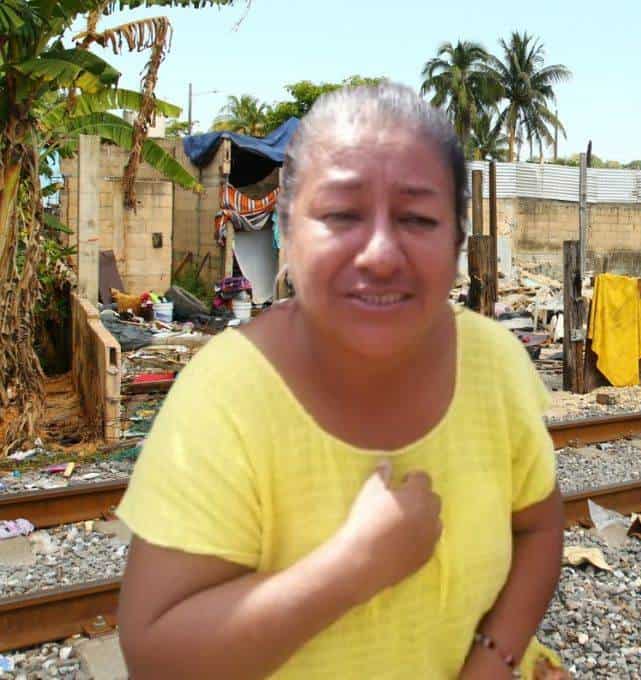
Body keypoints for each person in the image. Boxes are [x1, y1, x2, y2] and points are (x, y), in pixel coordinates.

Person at [116, 82, 565, 679]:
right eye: (341, 215)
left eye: (417, 217)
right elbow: (156, 656)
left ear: (458, 242)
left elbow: (539, 525)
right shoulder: (227, 396)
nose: (380, 252)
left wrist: (496, 658)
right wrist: (351, 567)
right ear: (288, 234)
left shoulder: (495, 361)